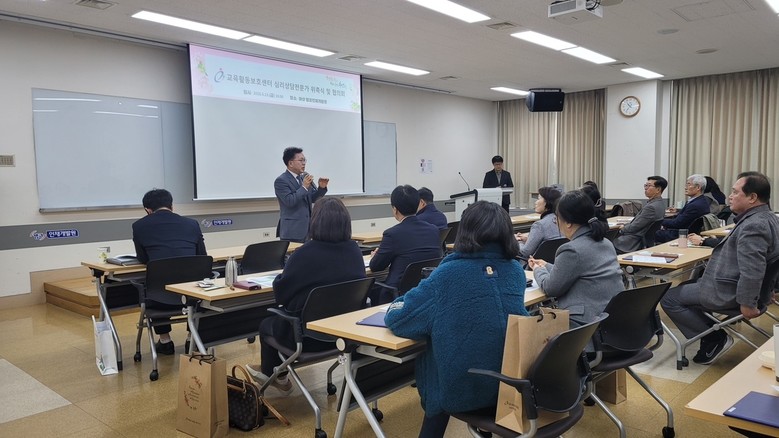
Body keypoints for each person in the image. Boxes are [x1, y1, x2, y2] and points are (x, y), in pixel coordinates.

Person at [385, 201, 528, 438]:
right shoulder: (515, 271)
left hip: (464, 388)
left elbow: (401, 319)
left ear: (465, 231)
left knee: (439, 361)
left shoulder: (449, 274)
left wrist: (394, 305)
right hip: (511, 381)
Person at [248, 198, 366, 393]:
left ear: (315, 222)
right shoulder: (354, 251)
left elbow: (281, 295)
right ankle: (277, 373)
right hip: (344, 335)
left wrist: (279, 278)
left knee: (267, 324)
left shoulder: (304, 254)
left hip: (307, 339)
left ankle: (276, 376)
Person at [661, 172, 779, 365]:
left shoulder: (754, 225)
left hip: (728, 292)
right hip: (741, 288)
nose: (730, 196)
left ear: (752, 197)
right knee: (686, 285)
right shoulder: (769, 218)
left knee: (668, 298)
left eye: (735, 192)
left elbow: (753, 269)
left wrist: (748, 303)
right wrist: (768, 289)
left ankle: (714, 338)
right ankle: (710, 332)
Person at [529, 190, 623, 329]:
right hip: (612, 317)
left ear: (568, 223)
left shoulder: (572, 250)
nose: (556, 223)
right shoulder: (605, 243)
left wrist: (537, 269)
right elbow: (579, 271)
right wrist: (547, 265)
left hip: (585, 325)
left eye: (556, 219)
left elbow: (550, 288)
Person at [132, 188, 207, 354]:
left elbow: (143, 258)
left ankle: (165, 340)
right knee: (193, 287)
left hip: (159, 297)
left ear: (147, 210)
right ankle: (191, 339)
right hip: (192, 294)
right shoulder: (192, 224)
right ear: (171, 206)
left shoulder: (139, 226)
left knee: (157, 281)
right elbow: (202, 256)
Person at [369, 185, 442, 305]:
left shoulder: (392, 234)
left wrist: (375, 257)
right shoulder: (433, 230)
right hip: (425, 292)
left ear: (395, 209)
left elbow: (376, 266)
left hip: (396, 296)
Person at [274, 147, 329, 242]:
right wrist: (304, 187)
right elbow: (289, 201)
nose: (304, 163)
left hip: (308, 229)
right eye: (301, 160)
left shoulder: (304, 177)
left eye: (304, 160)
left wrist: (321, 188)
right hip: (292, 230)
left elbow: (313, 199)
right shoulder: (281, 181)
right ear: (290, 163)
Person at [613, 176, 668, 253]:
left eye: (649, 186)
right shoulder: (660, 204)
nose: (646, 188)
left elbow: (634, 227)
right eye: (645, 185)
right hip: (643, 240)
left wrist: (623, 228)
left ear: (658, 190)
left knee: (605, 242)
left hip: (631, 242)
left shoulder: (651, 207)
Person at [655, 174, 710, 243]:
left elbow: (677, 223)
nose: (685, 187)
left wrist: (659, 221)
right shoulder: (700, 200)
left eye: (688, 184)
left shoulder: (695, 205)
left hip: (683, 235)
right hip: (685, 231)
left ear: (698, 187)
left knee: (651, 232)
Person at [515, 186, 563, 260]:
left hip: (536, 264)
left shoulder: (539, 225)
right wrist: (529, 240)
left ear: (547, 202)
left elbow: (525, 252)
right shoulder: (563, 221)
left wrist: (516, 242)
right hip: (555, 262)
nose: (535, 202)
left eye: (538, 198)